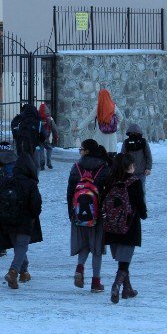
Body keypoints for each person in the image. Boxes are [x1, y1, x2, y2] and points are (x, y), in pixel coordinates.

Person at [0, 153, 43, 289]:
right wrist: (33, 215)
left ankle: (24, 272)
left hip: (9, 219)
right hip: (25, 220)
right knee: (21, 246)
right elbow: (36, 204)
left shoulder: (9, 181)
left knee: (19, 246)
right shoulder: (31, 184)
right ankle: (13, 272)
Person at [103, 153, 148, 304]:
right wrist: (143, 214)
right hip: (129, 225)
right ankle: (116, 285)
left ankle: (127, 289)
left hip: (111, 226)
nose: (135, 167)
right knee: (125, 261)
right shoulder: (135, 182)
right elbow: (140, 204)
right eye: (133, 165)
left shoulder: (109, 180)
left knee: (122, 258)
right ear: (128, 166)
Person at [67, 139, 110, 293]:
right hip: (97, 214)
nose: (80, 151)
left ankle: (79, 268)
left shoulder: (76, 167)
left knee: (84, 243)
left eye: (81, 149)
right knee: (96, 248)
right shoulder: (103, 168)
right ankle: (96, 282)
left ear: (87, 151)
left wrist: (71, 212)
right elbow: (107, 191)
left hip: (78, 213)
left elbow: (70, 191)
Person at [73, 89, 124, 156]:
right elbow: (121, 118)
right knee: (111, 160)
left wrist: (79, 128)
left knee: (101, 157)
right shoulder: (114, 107)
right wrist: (114, 124)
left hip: (101, 135)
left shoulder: (98, 107)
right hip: (112, 138)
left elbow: (89, 119)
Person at [121, 123, 153, 191]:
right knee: (130, 191)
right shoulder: (126, 142)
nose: (133, 134)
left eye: (135, 132)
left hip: (141, 172)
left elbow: (148, 156)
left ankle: (141, 201)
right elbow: (122, 157)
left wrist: (148, 168)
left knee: (141, 191)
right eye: (132, 133)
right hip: (129, 172)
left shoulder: (143, 142)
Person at [11, 104, 41, 173]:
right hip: (35, 146)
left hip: (20, 145)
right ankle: (34, 178)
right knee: (35, 164)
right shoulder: (37, 120)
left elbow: (14, 131)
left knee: (21, 163)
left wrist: (17, 137)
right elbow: (43, 134)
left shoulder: (18, 119)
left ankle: (22, 177)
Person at [38, 103, 59, 170]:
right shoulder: (50, 118)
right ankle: (49, 162)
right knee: (49, 148)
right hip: (46, 137)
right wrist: (55, 138)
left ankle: (42, 162)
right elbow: (54, 129)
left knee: (41, 149)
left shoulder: (37, 118)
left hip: (39, 137)